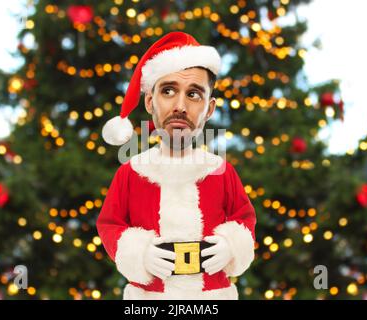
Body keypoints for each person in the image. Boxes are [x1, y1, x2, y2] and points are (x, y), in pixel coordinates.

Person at [97, 31, 256, 299]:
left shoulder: (221, 171)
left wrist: (232, 246)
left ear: (209, 109)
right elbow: (110, 225)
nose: (180, 106)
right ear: (150, 101)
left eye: (194, 94)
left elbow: (244, 219)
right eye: (168, 91)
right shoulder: (130, 173)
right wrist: (139, 253)